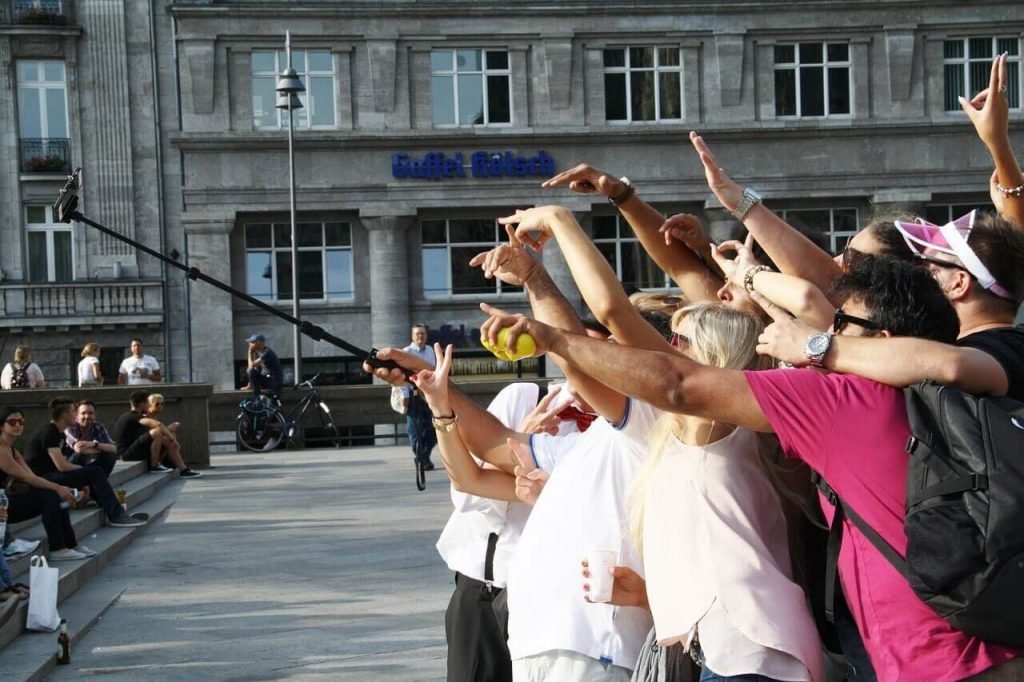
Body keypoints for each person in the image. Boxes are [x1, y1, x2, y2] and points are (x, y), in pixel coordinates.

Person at [487, 255, 1024, 680]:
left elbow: (678, 382)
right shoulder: (941, 394)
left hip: (923, 658)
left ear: (884, 340)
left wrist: (555, 338)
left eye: (842, 325)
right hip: (976, 643)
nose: (828, 332)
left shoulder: (843, 400)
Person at [24, 398, 143, 529]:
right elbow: (62, 466)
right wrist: (84, 471)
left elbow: (112, 449)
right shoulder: (49, 432)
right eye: (74, 411)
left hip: (55, 473)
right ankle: (117, 515)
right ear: (65, 414)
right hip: (44, 478)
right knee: (94, 472)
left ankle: (109, 506)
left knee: (97, 469)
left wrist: (85, 471)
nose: (76, 415)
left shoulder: (59, 433)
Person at [0, 406, 95, 562]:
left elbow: (32, 475)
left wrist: (65, 491)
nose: (18, 425)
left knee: (55, 496)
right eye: (12, 422)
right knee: (50, 496)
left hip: (4, 502)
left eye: (21, 421)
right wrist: (57, 488)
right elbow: (26, 478)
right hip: (2, 506)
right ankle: (57, 548)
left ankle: (71, 545)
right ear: (1, 425)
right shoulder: (1, 450)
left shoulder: (12, 450)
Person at [112, 391, 201, 479]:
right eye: (147, 403)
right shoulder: (132, 416)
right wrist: (173, 440)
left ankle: (183, 470)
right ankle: (154, 466)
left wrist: (170, 436)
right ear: (142, 404)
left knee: (165, 436)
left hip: (134, 450)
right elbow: (157, 424)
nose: (148, 405)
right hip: (125, 454)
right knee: (157, 432)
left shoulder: (136, 416)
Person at [401, 324, 437, 471]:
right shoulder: (406, 352)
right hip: (413, 394)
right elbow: (402, 377)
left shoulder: (429, 350)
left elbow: (434, 372)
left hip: (428, 394)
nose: (420, 337)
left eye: (422, 334)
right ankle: (422, 459)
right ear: (412, 336)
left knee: (433, 430)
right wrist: (405, 396)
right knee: (415, 430)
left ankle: (422, 457)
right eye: (417, 334)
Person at [64, 400, 118, 477]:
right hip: (68, 465)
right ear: (77, 415)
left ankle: (100, 481)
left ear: (95, 415)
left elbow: (114, 449)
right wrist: (101, 449)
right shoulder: (71, 427)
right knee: (80, 455)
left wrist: (94, 444)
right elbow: (79, 449)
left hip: (85, 464)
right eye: (83, 413)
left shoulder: (98, 426)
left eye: (90, 413)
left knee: (110, 456)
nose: (87, 416)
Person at [244, 333, 283, 398]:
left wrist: (249, 352)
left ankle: (257, 396)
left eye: (252, 342)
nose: (249, 344)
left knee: (250, 369)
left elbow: (251, 365)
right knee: (250, 371)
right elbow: (254, 370)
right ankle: (257, 394)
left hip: (273, 381)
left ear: (259, 343)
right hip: (265, 378)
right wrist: (250, 384)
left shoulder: (267, 352)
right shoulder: (257, 352)